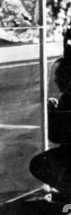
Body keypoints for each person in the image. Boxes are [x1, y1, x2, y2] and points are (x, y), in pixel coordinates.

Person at [29, 27, 71, 202]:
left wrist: (52, 112)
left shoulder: (68, 98)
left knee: (39, 164)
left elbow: (56, 135)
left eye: (58, 77)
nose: (55, 80)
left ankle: (68, 192)